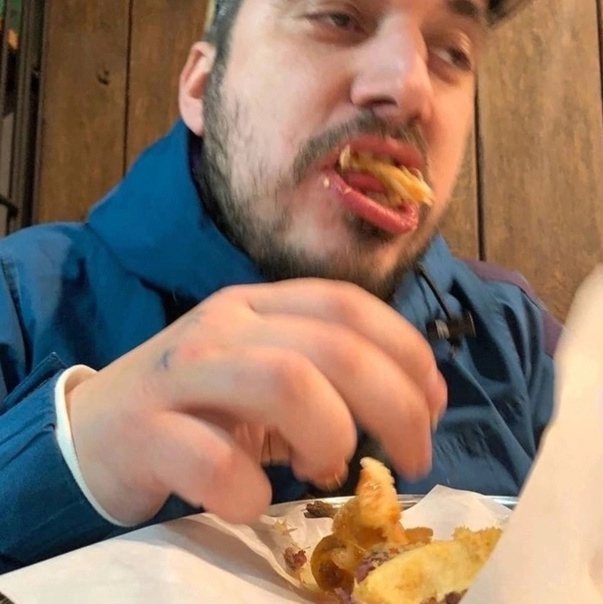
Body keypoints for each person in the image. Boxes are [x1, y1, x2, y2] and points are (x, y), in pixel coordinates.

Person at [0, 0, 560, 574]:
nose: (410, 87)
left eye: (452, 54)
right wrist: (67, 459)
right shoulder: (20, 301)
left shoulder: (518, 340)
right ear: (201, 87)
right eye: (339, 18)